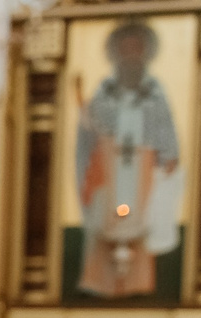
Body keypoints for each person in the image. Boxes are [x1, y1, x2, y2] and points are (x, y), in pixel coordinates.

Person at [75, 22, 182, 299]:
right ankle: (101, 282)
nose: (131, 54)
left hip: (143, 169)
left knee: (142, 219)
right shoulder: (104, 92)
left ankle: (137, 283)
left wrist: (169, 155)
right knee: (105, 218)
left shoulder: (155, 92)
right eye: (125, 49)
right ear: (116, 54)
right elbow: (90, 131)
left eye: (137, 48)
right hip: (109, 166)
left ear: (146, 53)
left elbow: (165, 128)